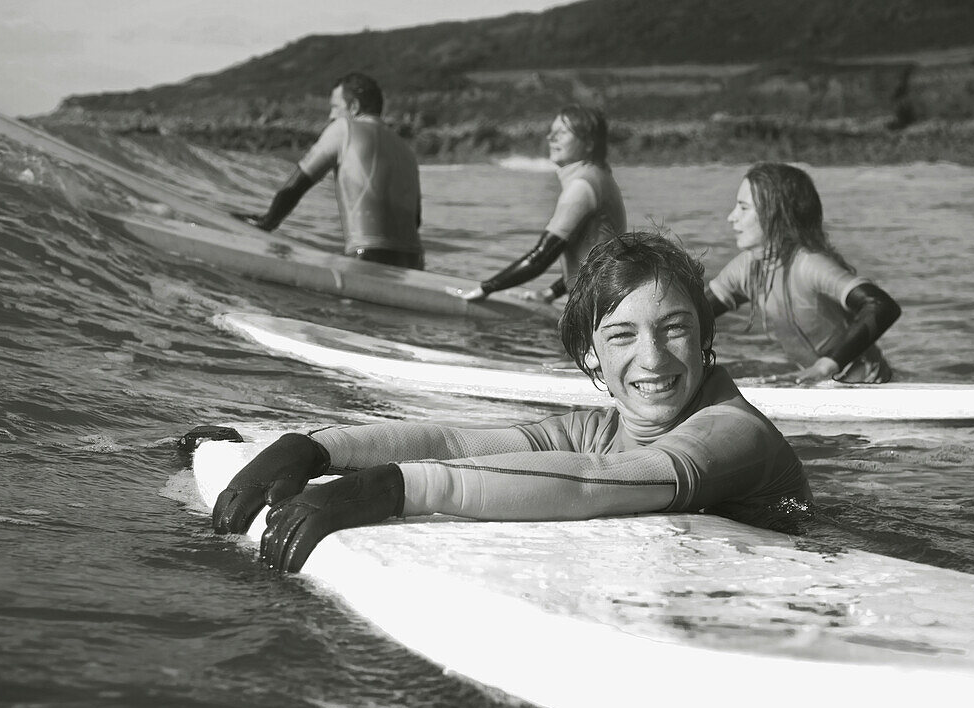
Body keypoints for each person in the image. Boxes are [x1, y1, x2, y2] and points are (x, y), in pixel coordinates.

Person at [207, 232, 811, 573]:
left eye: (675, 327)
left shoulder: (734, 432)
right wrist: (316, 448)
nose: (653, 359)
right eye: (623, 335)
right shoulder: (602, 427)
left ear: (708, 338)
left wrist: (393, 489)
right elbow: (458, 443)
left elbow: (596, 482)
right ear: (591, 357)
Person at [708, 162, 901, 384]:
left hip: (869, 385)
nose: (732, 217)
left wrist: (825, 366)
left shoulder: (809, 265)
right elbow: (693, 314)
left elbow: (881, 306)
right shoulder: (747, 269)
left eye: (743, 208)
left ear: (775, 214)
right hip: (816, 385)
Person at [236, 72, 425, 269]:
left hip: (369, 258)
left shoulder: (344, 128)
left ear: (354, 107)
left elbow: (297, 184)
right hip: (414, 264)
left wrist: (267, 222)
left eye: (335, 107)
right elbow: (416, 220)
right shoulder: (406, 151)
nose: (331, 115)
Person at [454, 105, 627, 303]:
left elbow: (541, 257)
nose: (551, 138)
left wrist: (485, 289)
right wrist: (550, 293)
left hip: (594, 305)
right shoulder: (600, 176)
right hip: (604, 298)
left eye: (562, 132)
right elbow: (595, 257)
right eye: (551, 131)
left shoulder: (582, 186)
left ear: (588, 143)